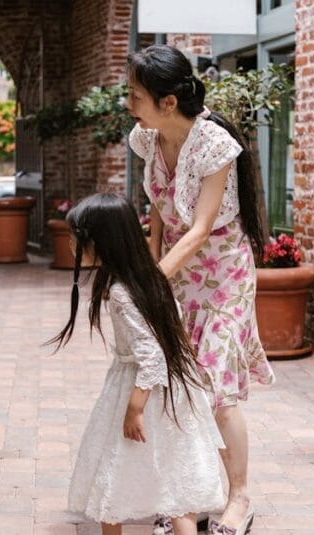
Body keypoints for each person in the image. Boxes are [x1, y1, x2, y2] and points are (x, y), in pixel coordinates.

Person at [124, 44, 275, 535]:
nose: (129, 104)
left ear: (168, 102)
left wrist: (150, 281)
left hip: (224, 277)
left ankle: (239, 497)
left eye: (135, 95)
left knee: (215, 388)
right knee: (179, 386)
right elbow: (158, 218)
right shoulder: (147, 140)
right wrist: (151, 272)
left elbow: (200, 227)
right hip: (178, 276)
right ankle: (187, 495)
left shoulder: (213, 145)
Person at [49, 193, 226, 535]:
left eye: (77, 238)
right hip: (173, 393)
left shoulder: (121, 292)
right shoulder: (151, 279)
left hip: (143, 390)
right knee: (176, 486)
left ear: (101, 243)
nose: (72, 244)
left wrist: (135, 407)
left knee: (113, 479)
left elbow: (152, 355)